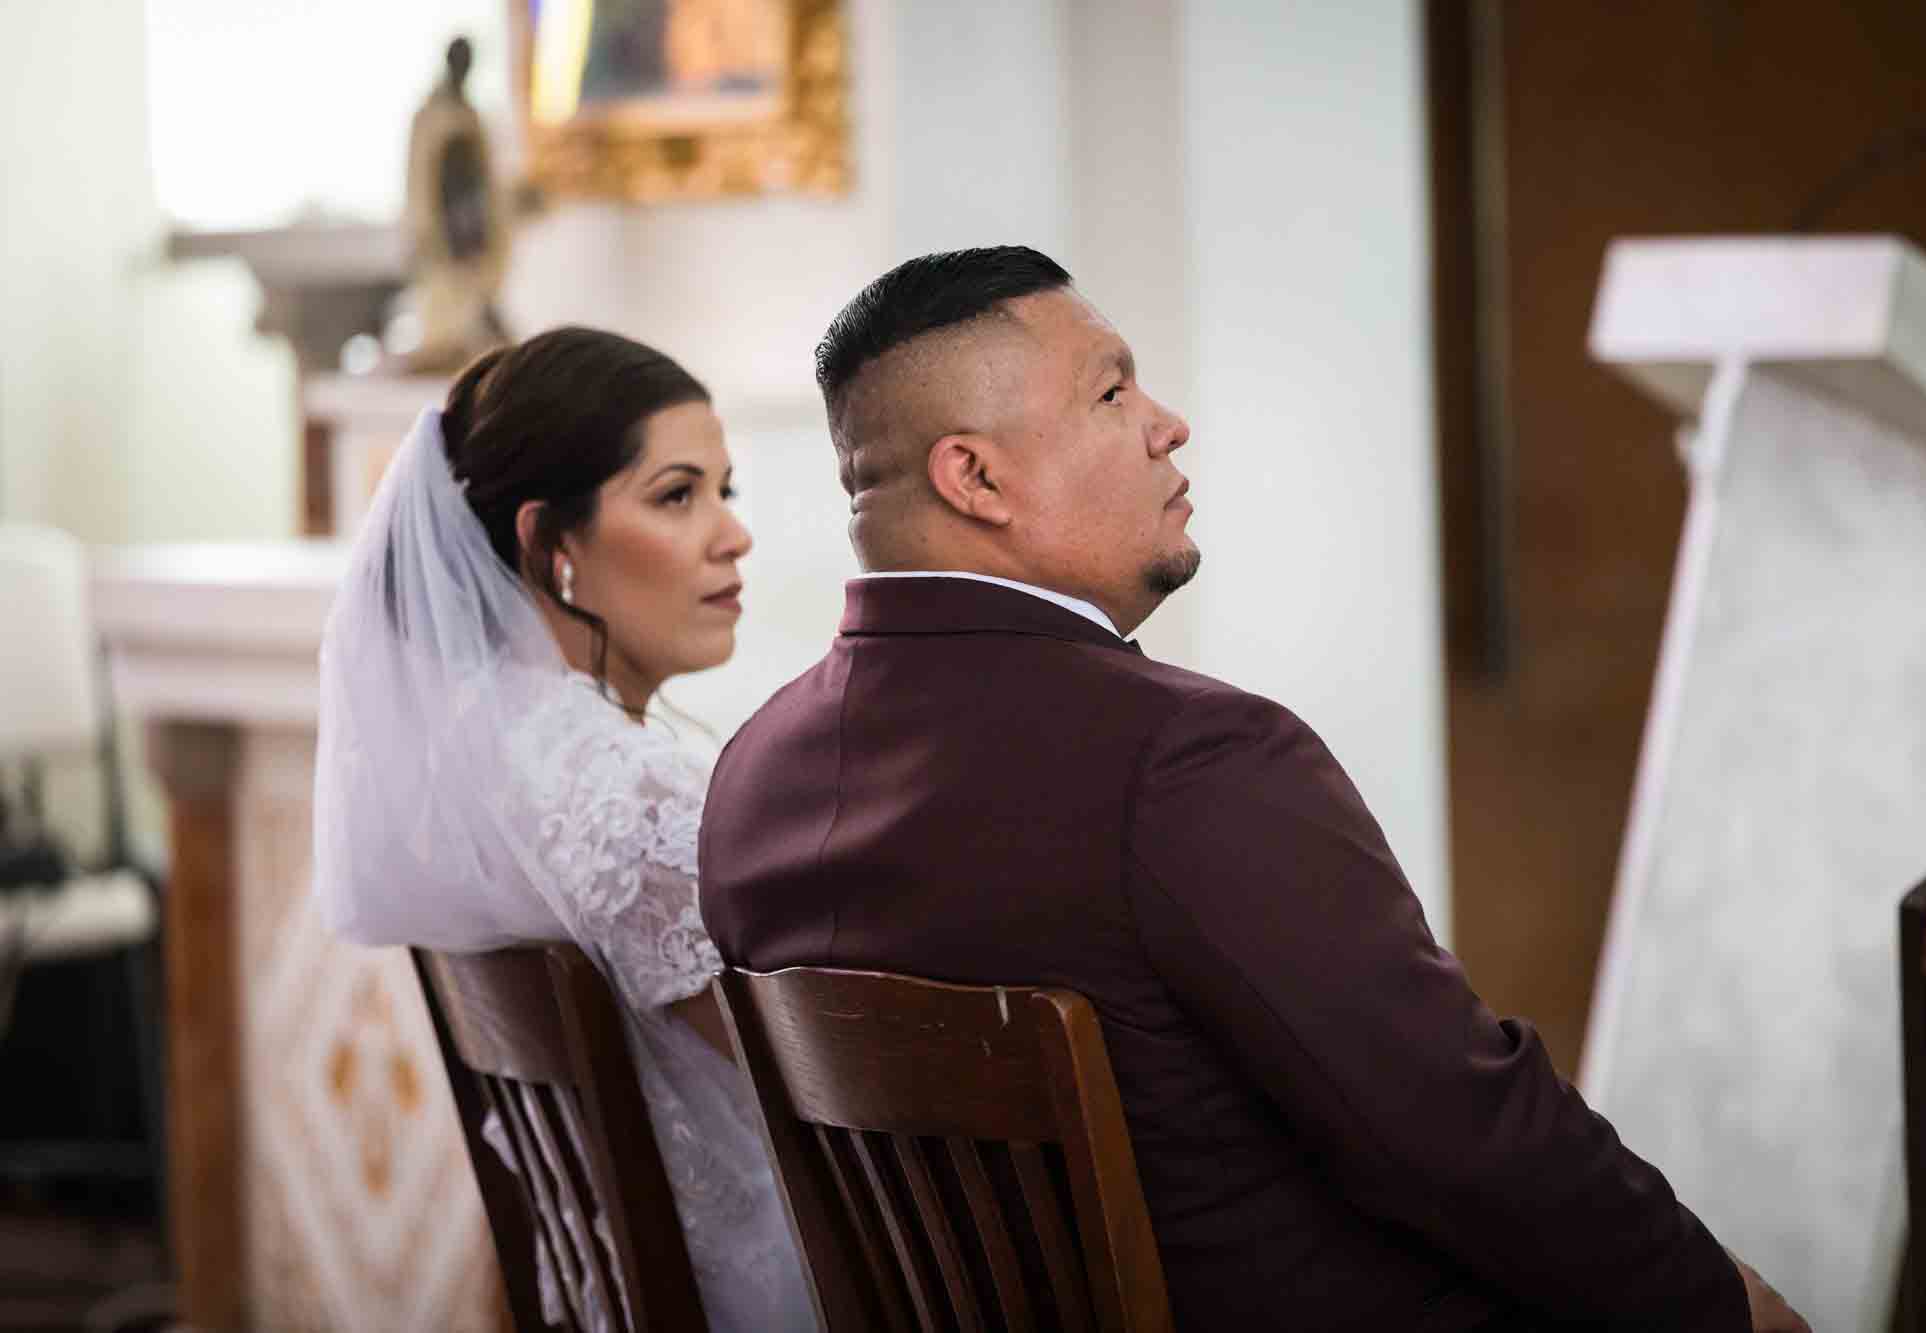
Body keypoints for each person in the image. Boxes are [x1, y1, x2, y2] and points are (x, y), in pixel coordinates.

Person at [698, 248, 1810, 1332]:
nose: (1164, 422)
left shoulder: (752, 783)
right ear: (975, 476)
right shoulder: (1186, 758)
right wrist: (1714, 1300)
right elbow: (1453, 1129)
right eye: (1111, 388)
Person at [312, 326, 811, 1332]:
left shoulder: (475, 762)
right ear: (550, 544)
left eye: (726, 491)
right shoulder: (629, 796)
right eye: (677, 495)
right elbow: (815, 1085)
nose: (732, 535)